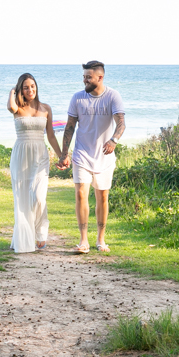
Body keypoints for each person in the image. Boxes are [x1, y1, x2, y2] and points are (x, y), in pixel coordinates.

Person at [57, 61, 125, 254]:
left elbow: (121, 123)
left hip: (104, 157)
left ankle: (101, 240)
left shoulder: (113, 96)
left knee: (102, 197)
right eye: (84, 77)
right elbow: (70, 127)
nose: (85, 80)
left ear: (100, 78)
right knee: (80, 194)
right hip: (82, 154)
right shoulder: (77, 98)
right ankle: (83, 241)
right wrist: (64, 154)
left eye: (88, 77)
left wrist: (114, 140)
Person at [6, 73, 65, 252]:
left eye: (32, 86)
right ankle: (25, 237)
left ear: (36, 87)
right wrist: (12, 91)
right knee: (22, 197)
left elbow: (51, 136)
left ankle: (40, 233)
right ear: (20, 90)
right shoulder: (17, 108)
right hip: (21, 156)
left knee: (39, 198)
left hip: (40, 156)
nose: (30, 90)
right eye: (26, 87)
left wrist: (62, 155)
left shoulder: (46, 108)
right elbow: (10, 106)